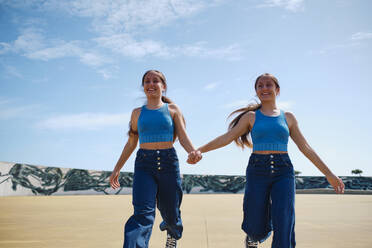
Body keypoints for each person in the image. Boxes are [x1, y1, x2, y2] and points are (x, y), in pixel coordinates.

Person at [188, 73, 345, 248]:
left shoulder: (288, 117)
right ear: (256, 91)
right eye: (260, 86)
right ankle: (253, 237)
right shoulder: (251, 117)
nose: (264, 88)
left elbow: (306, 147)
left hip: (283, 171)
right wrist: (200, 150)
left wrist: (329, 174)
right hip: (257, 169)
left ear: (277, 90)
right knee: (254, 217)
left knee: (284, 217)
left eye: (268, 85)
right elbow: (227, 137)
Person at [110, 70, 199, 248]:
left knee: (171, 211)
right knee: (142, 213)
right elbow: (131, 143)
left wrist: (192, 152)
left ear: (163, 86)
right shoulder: (136, 113)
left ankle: (172, 233)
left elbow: (182, 136)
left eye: (155, 81)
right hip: (144, 164)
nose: (151, 84)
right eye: (147, 81)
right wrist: (117, 168)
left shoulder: (173, 110)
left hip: (169, 163)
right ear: (143, 87)